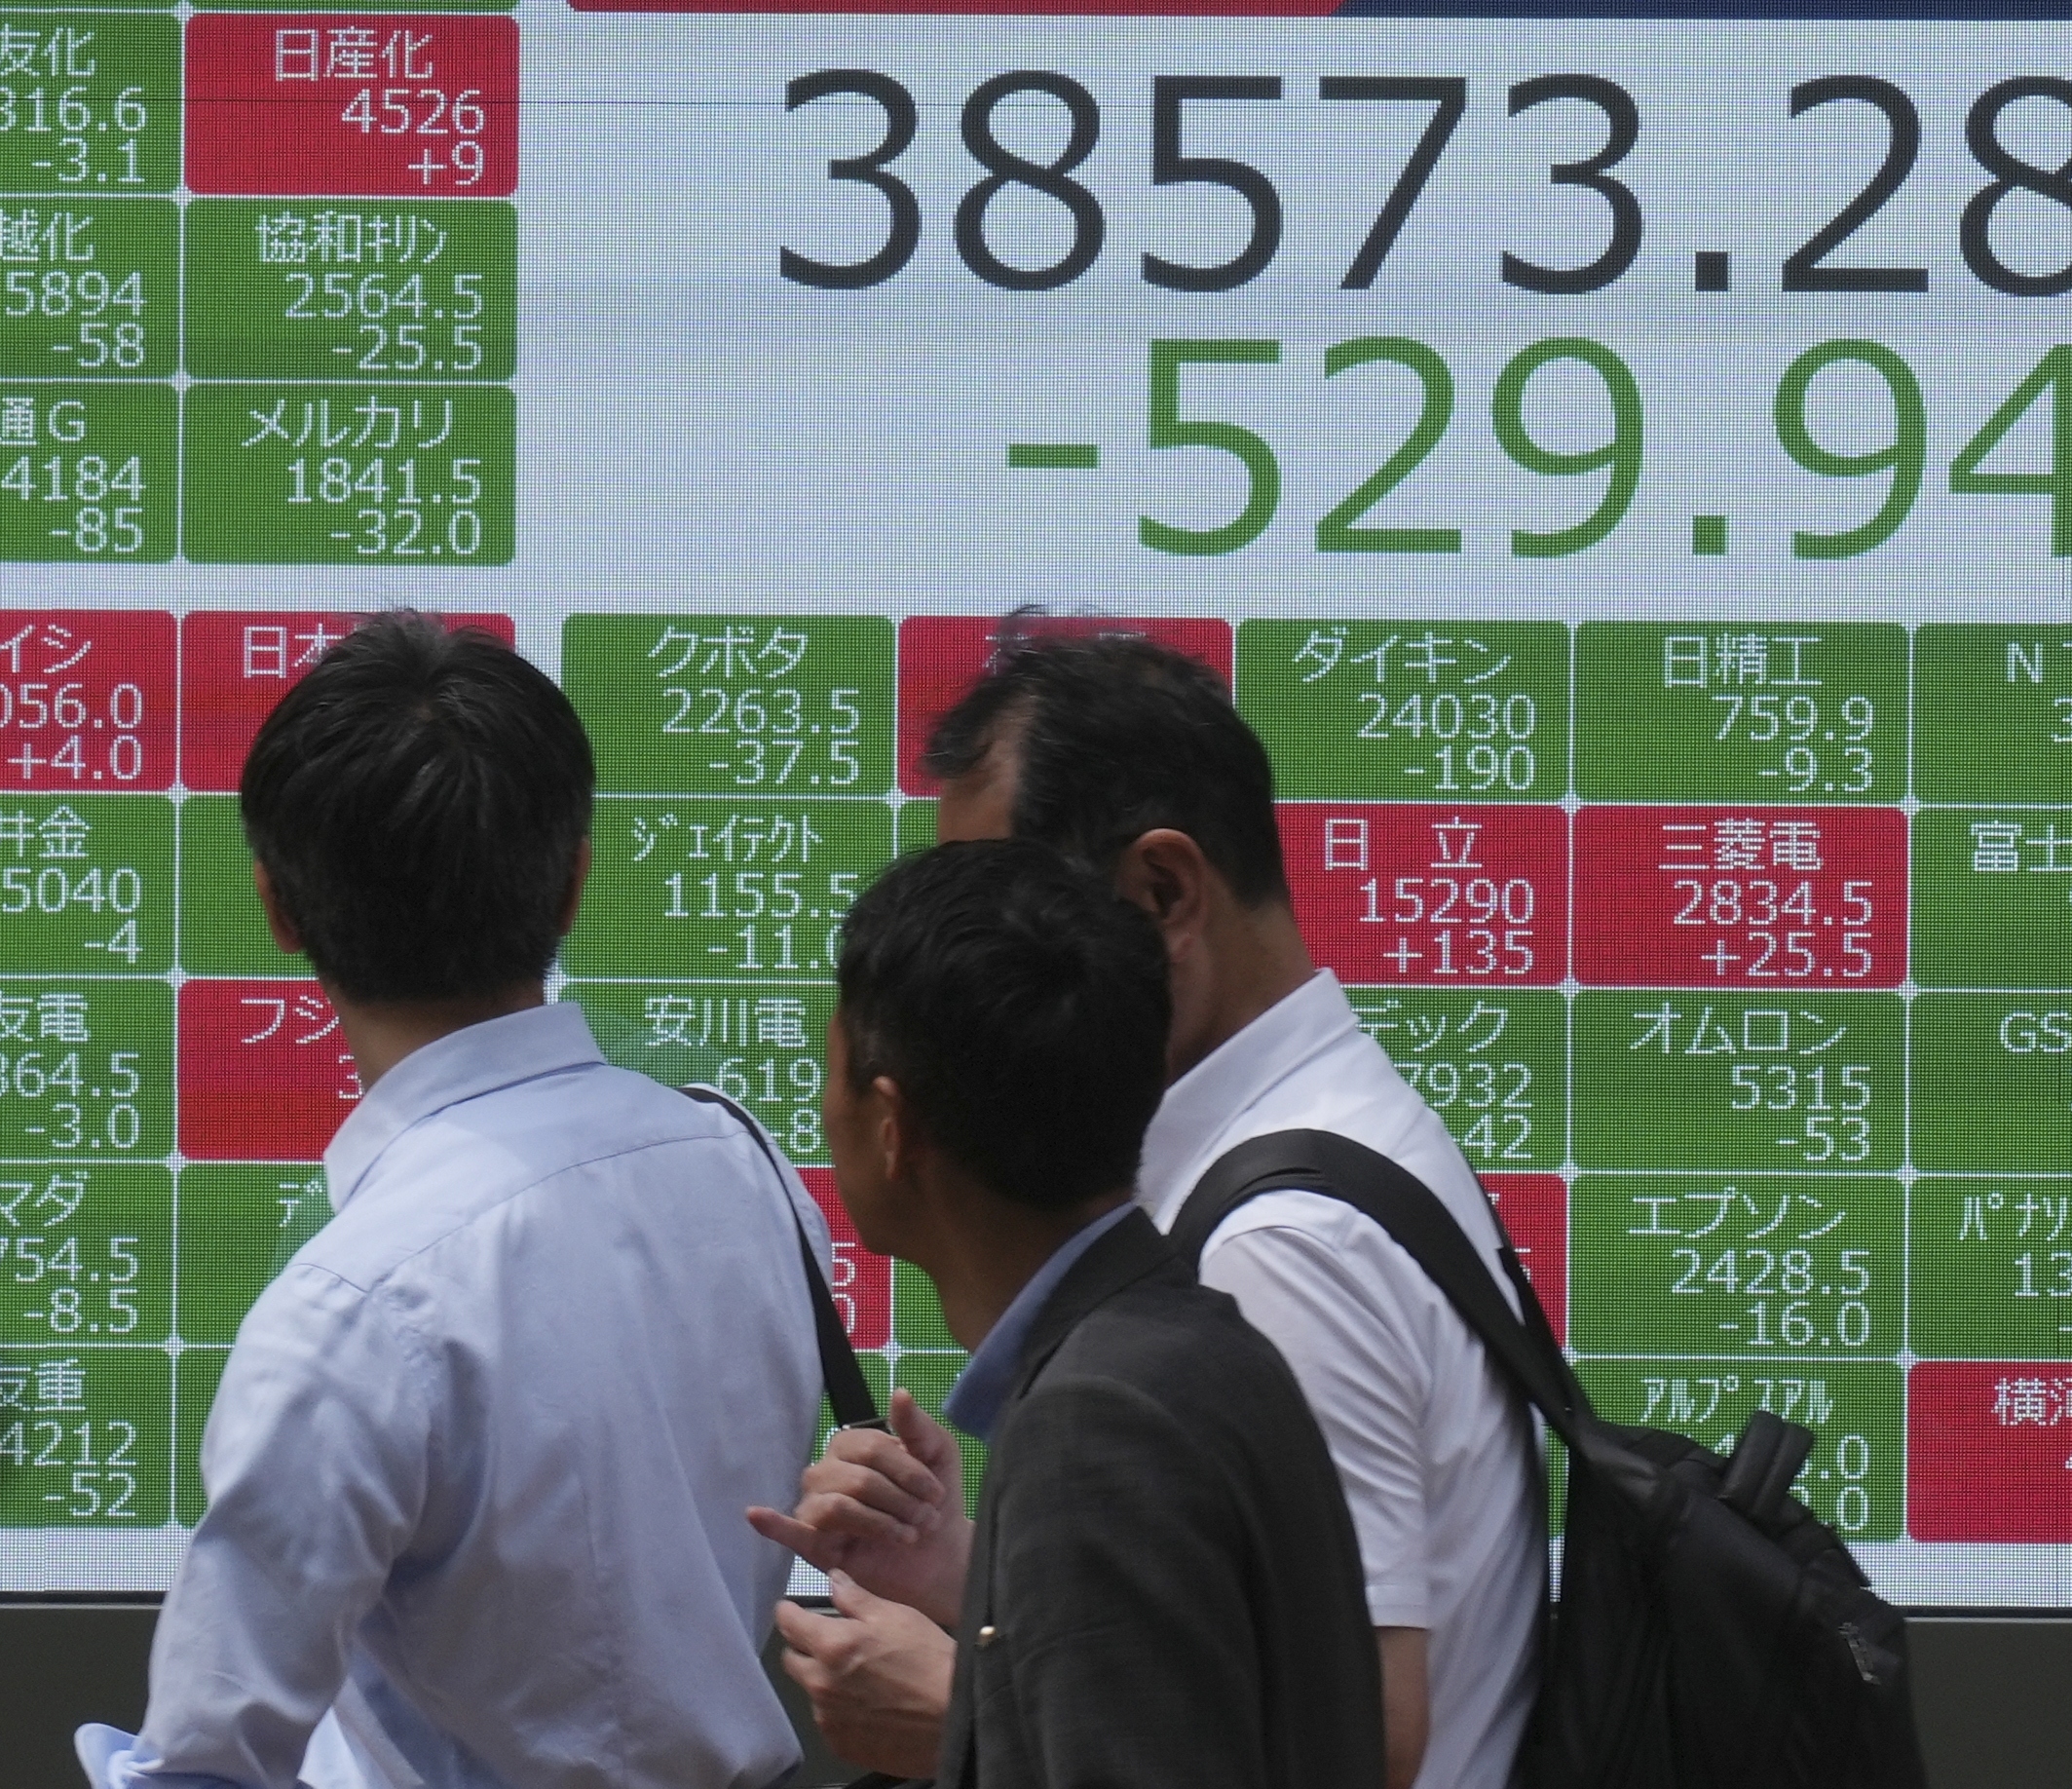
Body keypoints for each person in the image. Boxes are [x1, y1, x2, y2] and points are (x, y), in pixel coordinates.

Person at [762, 628, 1541, 1789]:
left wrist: (956, 1712)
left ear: (1163, 890)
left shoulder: (1280, 1242)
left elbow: (1362, 1733)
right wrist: (969, 1569)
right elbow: (1223, 1618)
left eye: (1014, 904)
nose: (971, 959)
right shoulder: (1310, 1147)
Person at [77, 613, 827, 1789]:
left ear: (277, 907)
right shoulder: (747, 1169)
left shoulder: (349, 1308)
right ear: (573, 879)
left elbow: (206, 1766)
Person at [758, 838, 1383, 1788]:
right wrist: (964, 1575)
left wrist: (955, 1732)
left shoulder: (1093, 1420)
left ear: (894, 1127)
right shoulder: (1193, 1346)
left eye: (831, 1072)